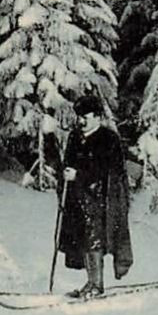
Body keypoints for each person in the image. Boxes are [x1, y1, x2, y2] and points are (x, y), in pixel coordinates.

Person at [57, 93, 134, 299]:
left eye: (86, 117)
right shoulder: (75, 137)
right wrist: (65, 174)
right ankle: (90, 282)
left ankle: (97, 285)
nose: (81, 121)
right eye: (79, 117)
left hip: (101, 200)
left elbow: (109, 171)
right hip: (78, 198)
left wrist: (79, 175)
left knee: (95, 240)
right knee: (82, 238)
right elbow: (68, 162)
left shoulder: (109, 139)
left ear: (98, 117)